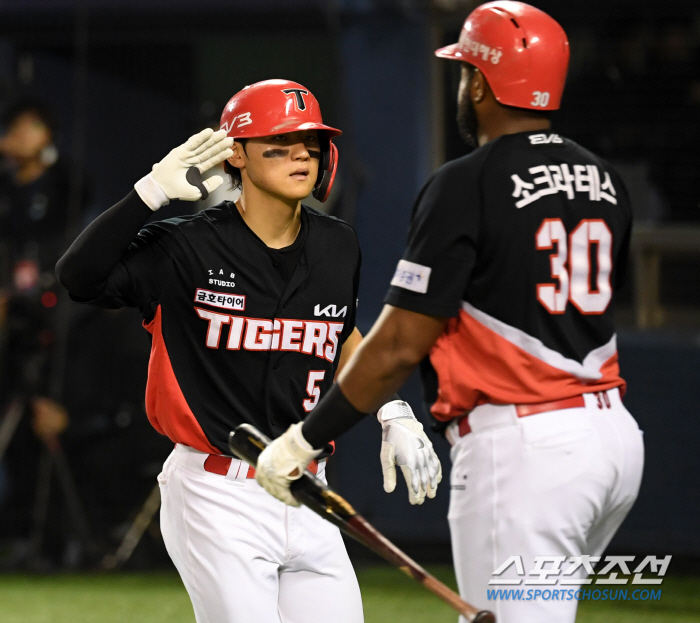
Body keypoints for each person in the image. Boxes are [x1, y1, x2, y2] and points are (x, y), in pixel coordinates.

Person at [254, 6, 645, 623]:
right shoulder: (604, 179)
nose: (463, 85)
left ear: (483, 84)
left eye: (467, 72)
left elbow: (399, 344)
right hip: (614, 443)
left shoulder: (468, 181)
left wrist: (302, 439)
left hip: (527, 444)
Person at [56, 79, 441, 623]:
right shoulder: (183, 245)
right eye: (278, 145)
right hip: (217, 493)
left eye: (309, 142)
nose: (301, 155)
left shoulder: (338, 243)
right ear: (235, 155)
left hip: (309, 488)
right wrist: (148, 194)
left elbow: (336, 333)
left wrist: (391, 408)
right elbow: (78, 277)